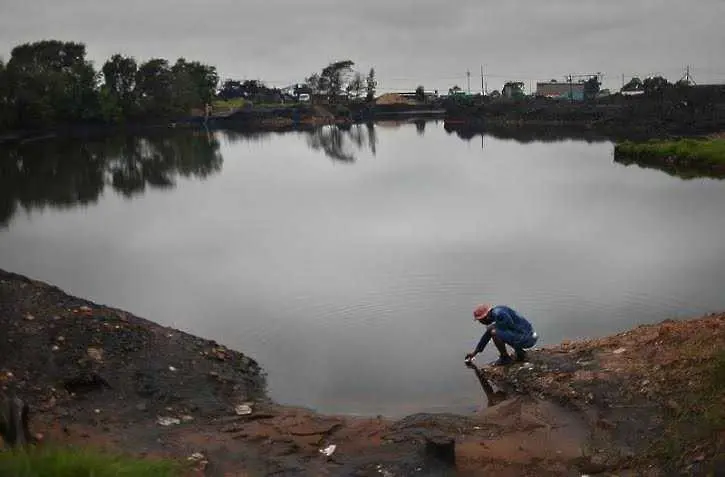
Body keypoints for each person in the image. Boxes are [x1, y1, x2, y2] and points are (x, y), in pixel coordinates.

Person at [464, 304, 538, 366]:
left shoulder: (499, 314)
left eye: (480, 320)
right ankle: (520, 353)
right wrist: (475, 352)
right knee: (494, 330)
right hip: (527, 335)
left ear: (486, 317)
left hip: (527, 339)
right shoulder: (498, 311)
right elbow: (486, 337)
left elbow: (509, 325)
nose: (480, 323)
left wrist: (495, 329)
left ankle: (505, 358)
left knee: (495, 332)